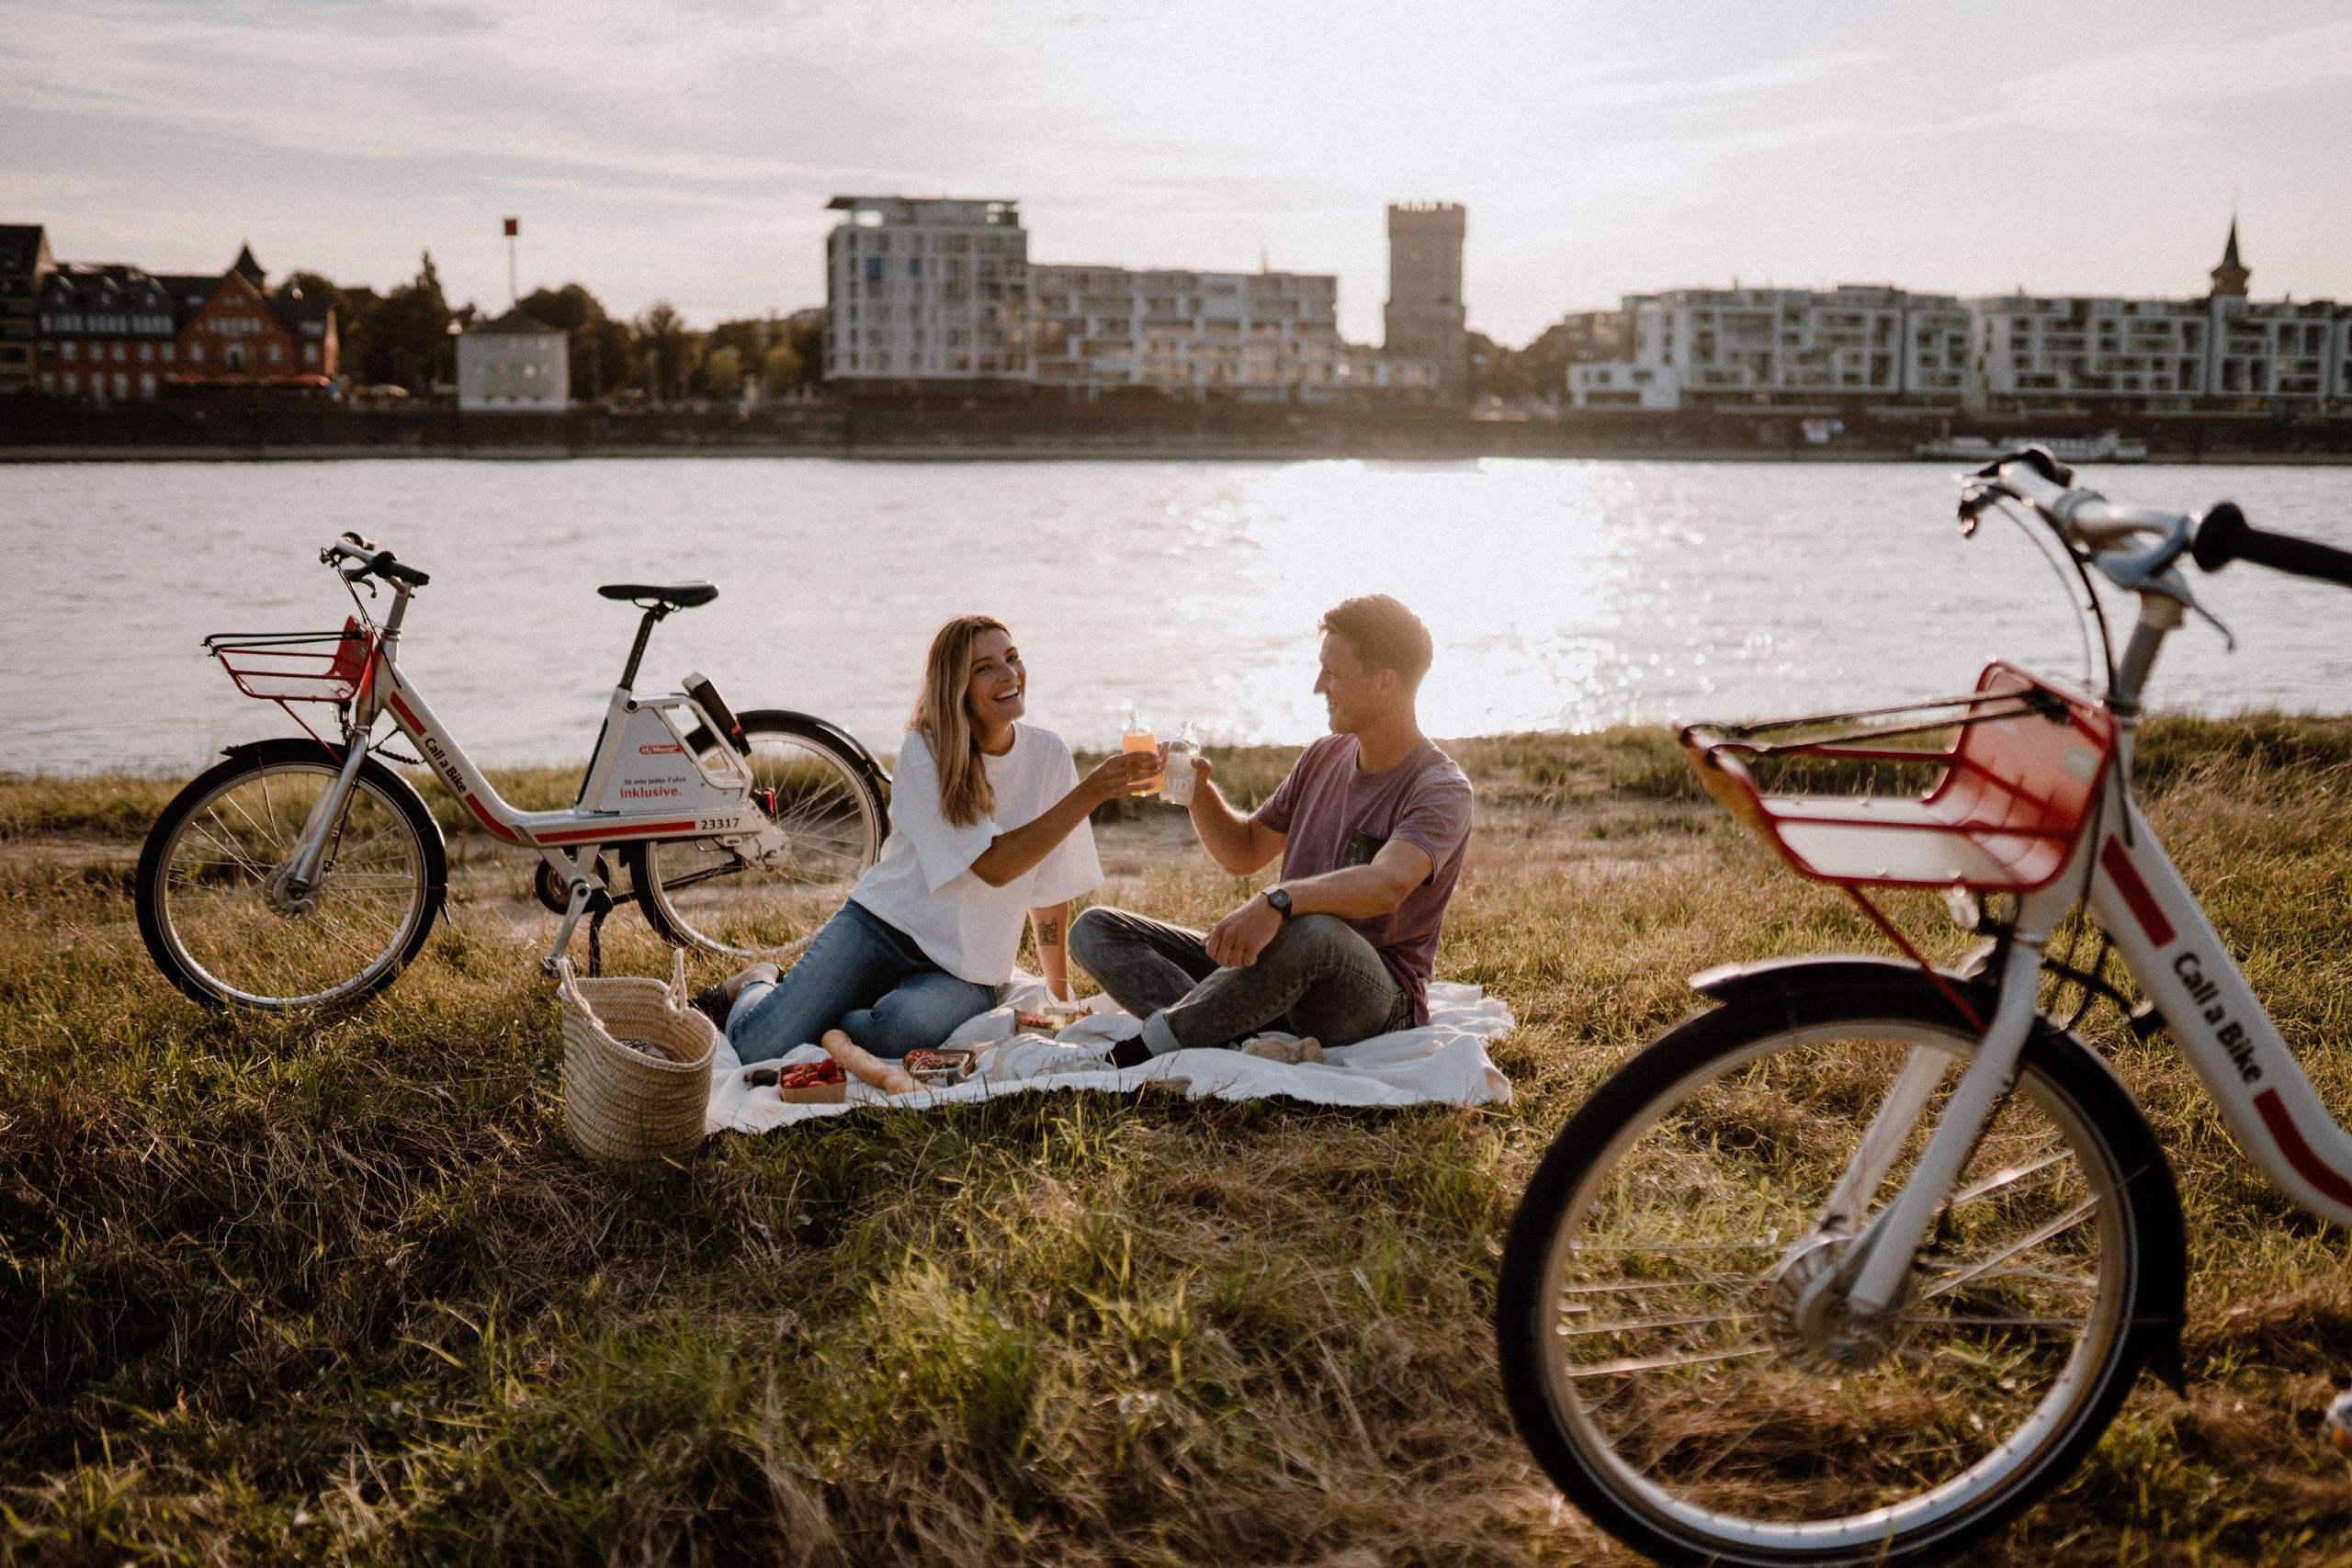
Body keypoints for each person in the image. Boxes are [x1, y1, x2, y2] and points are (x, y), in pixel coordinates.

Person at [707, 615, 1159, 1064]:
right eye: (984, 668)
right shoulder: (925, 751)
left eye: (1012, 658)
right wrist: (1092, 792)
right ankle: (757, 981)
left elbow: (1048, 891)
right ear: (955, 685)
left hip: (966, 968)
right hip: (881, 925)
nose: (1009, 675)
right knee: (758, 1046)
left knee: (900, 1033)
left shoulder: (1049, 755)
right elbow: (994, 865)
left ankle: (830, 1007)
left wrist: (1059, 993)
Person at [1070, 594, 1474, 1068]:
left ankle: (1145, 1051)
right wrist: (1199, 791)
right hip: (1280, 974)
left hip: (1371, 1000)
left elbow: (1388, 884)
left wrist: (1278, 901)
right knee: (1096, 929)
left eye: (1334, 673)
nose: (1319, 685)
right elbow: (1243, 851)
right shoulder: (1323, 756)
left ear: (1385, 683)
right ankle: (1232, 1046)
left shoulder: (1440, 788)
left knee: (1314, 929)